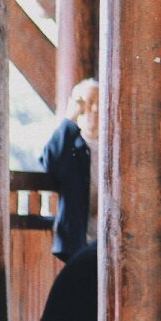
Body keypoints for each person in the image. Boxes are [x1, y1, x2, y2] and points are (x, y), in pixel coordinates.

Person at [38, 80, 99, 264]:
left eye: (99, 103)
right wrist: (69, 119)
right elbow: (50, 161)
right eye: (87, 104)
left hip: (108, 240)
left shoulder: (115, 150)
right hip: (77, 242)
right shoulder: (72, 147)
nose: (94, 109)